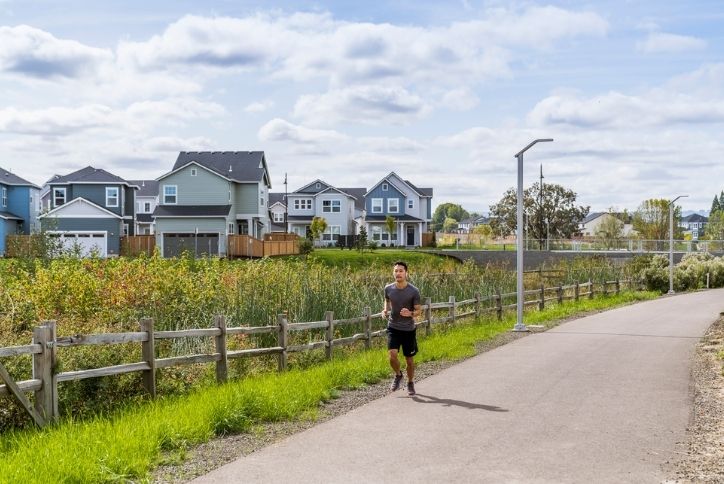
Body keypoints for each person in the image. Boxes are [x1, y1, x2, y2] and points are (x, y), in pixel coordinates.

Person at [382, 260, 421, 396]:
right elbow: (387, 300)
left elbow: (418, 311)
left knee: (409, 361)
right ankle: (398, 375)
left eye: (401, 271)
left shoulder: (413, 291)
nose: (398, 273)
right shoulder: (388, 288)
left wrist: (409, 313)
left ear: (406, 273)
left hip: (408, 330)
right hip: (393, 327)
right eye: (396, 271)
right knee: (392, 355)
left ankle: (410, 382)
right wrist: (385, 310)